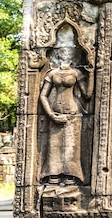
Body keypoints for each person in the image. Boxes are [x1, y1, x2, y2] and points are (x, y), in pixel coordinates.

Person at [40, 39, 94, 185]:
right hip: (55, 112)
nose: (65, 54)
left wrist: (92, 75)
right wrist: (51, 114)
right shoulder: (52, 74)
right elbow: (43, 95)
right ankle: (53, 174)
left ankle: (72, 174)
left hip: (72, 113)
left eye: (68, 52)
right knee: (54, 146)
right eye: (62, 51)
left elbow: (87, 95)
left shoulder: (76, 73)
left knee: (72, 147)